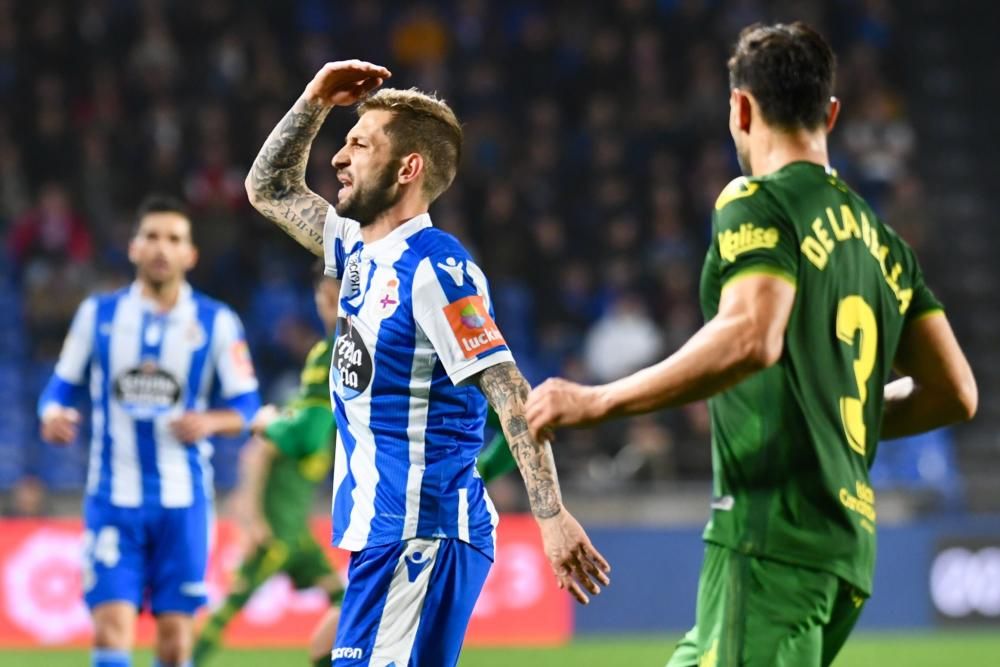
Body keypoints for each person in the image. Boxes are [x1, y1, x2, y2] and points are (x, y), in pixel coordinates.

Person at [525, 22, 977, 667]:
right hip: (842, 549)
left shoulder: (758, 201)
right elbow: (955, 395)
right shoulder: (883, 243)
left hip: (772, 538)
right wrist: (829, 417)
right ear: (832, 113)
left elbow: (751, 337)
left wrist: (596, 400)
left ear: (740, 108)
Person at [246, 60, 609, 666]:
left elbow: (509, 390)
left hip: (422, 532)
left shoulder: (435, 270)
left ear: (407, 168)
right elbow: (270, 188)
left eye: (359, 144)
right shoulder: (356, 247)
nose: (339, 157)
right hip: (387, 535)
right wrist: (314, 99)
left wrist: (550, 515)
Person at [38, 195, 261, 667]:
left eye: (174, 239)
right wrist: (51, 414)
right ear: (134, 248)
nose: (163, 248)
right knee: (111, 628)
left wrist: (211, 421)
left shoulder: (217, 322)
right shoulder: (97, 315)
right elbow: (57, 389)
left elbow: (247, 404)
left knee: (175, 644)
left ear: (190, 255)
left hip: (184, 506)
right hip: (112, 501)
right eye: (153, 237)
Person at [193, 266, 344, 667]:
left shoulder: (327, 400)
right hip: (275, 532)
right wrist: (250, 519)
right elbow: (256, 453)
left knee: (348, 604)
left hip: (299, 534)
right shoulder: (308, 403)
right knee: (229, 608)